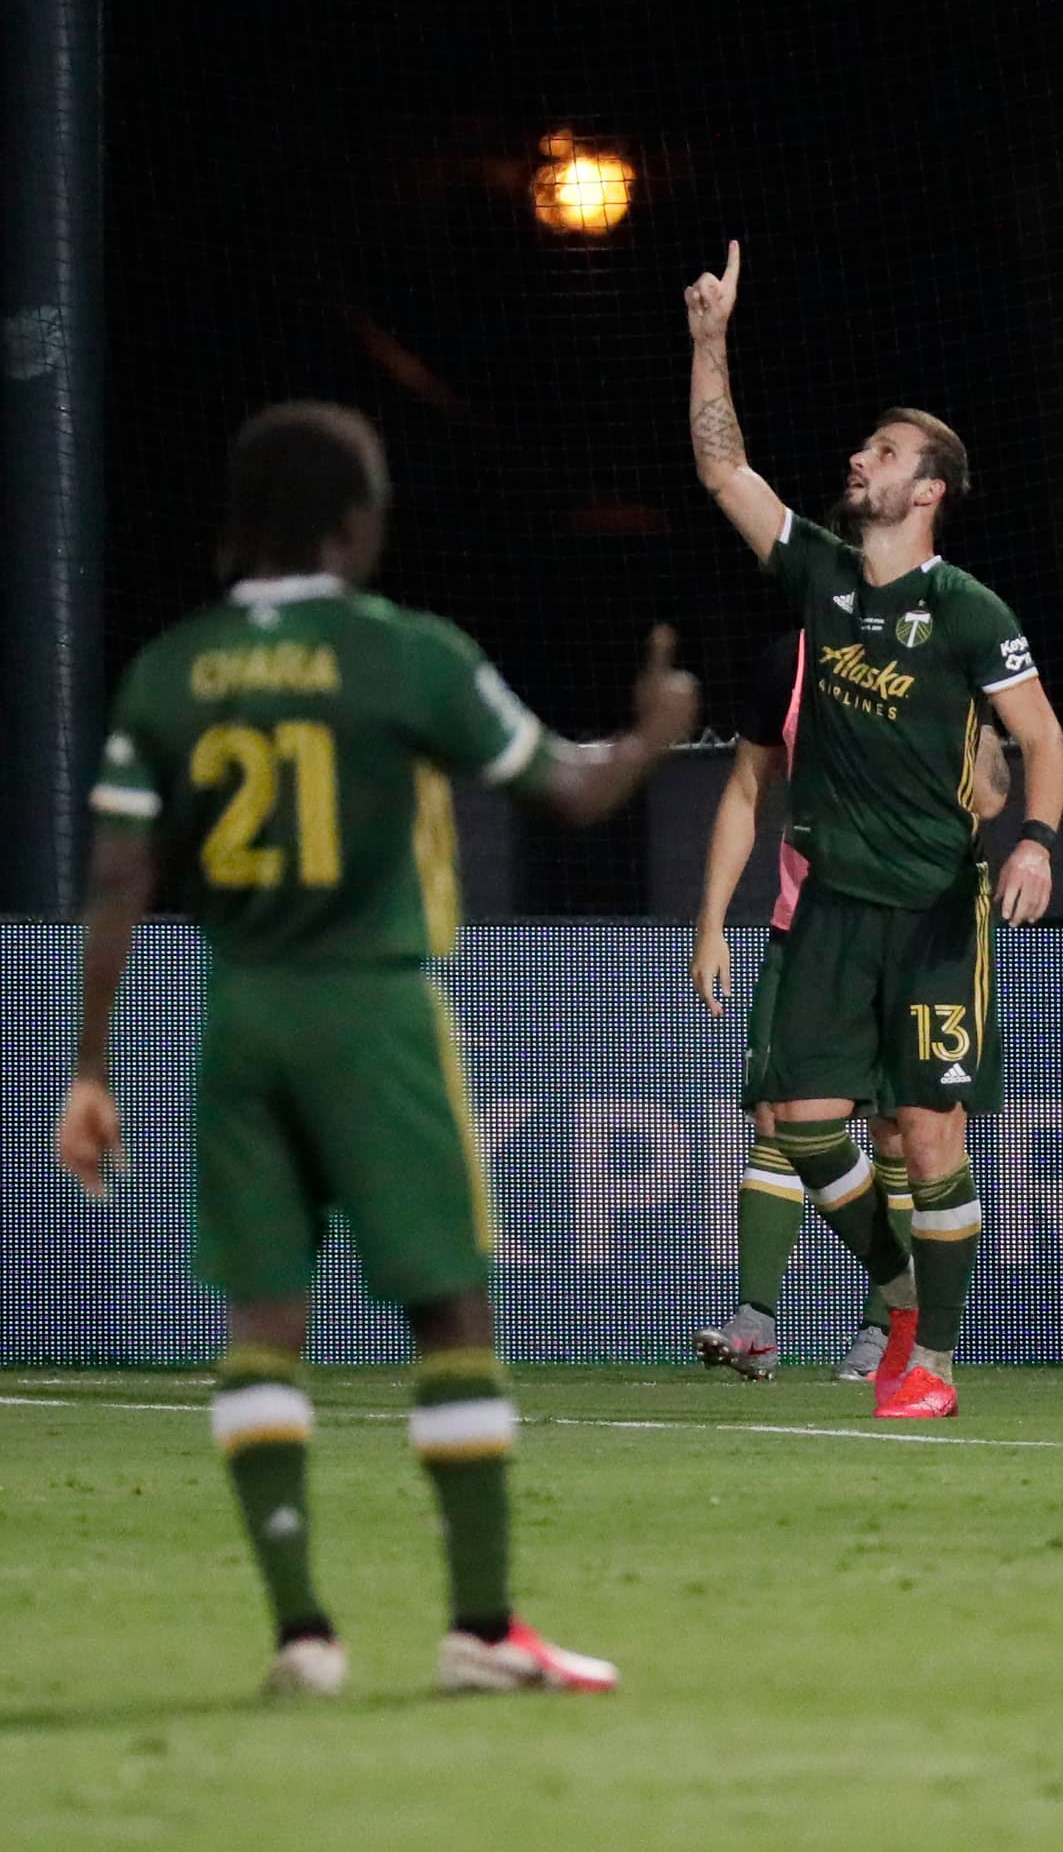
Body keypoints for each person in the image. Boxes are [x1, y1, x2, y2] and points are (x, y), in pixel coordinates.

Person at [56, 401, 699, 1695]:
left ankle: (302, 1633)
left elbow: (121, 873)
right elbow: (567, 792)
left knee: (263, 1323)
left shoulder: (170, 669)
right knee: (450, 1306)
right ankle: (479, 1626)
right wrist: (652, 733)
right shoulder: (403, 652)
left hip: (239, 1013)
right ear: (353, 524)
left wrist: (89, 1064)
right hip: (371, 1008)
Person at [684, 244, 1063, 1419]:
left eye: (886, 452)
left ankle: (932, 1365)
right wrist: (709, 339)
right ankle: (898, 1285)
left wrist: (1035, 840)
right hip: (832, 907)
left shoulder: (968, 611)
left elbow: (1042, 744)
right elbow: (724, 472)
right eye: (865, 448)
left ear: (930, 487)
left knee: (926, 1129)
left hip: (933, 912)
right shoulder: (823, 577)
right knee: (796, 1120)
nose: (862, 459)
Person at [690, 630, 1010, 1382]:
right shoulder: (789, 661)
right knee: (783, 1116)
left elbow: (991, 795)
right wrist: (710, 925)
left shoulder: (946, 651)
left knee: (901, 1135)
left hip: (920, 935)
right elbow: (745, 790)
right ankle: (760, 1320)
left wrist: (967, 716)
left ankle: (885, 1328)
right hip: (809, 930)